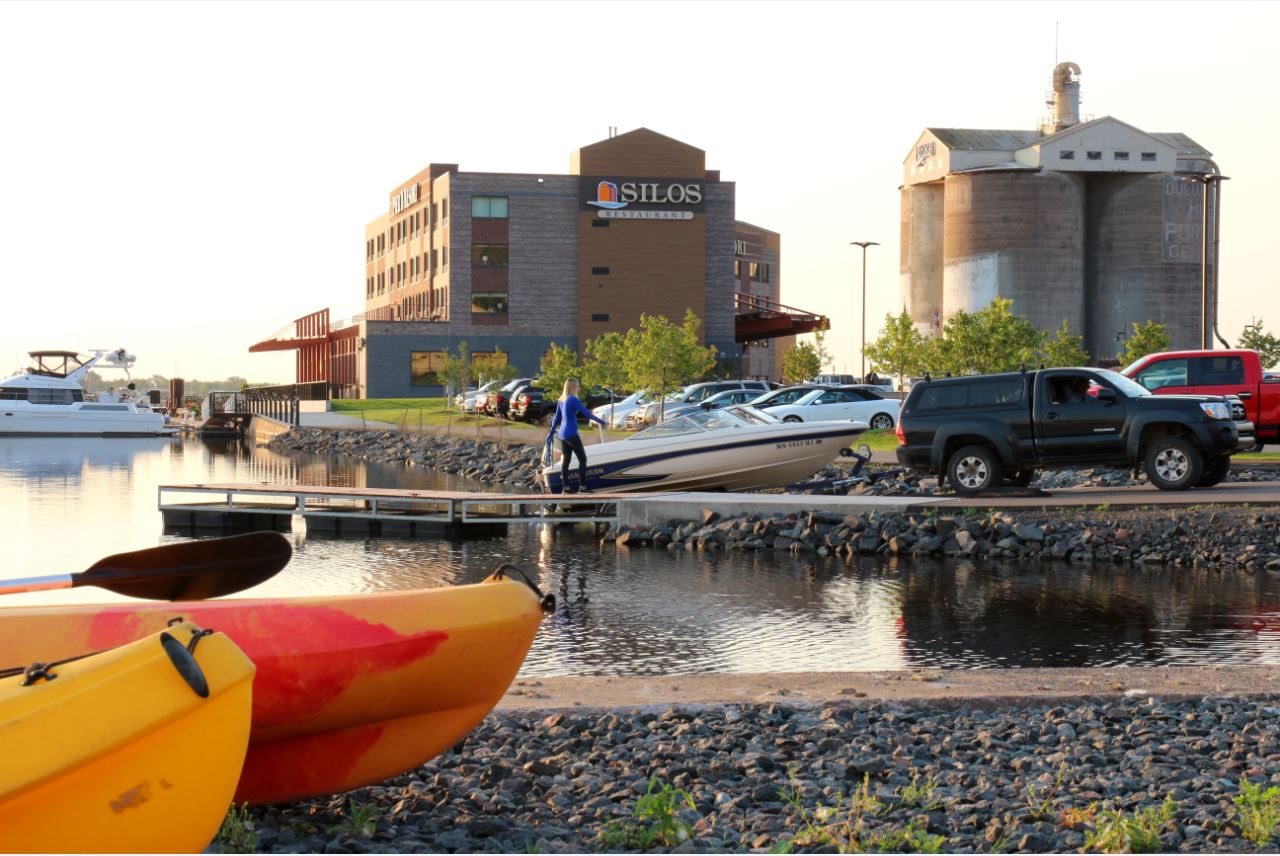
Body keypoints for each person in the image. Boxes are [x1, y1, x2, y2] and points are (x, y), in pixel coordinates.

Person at [548, 377, 607, 494]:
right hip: (571, 433)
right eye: (578, 386)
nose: (579, 388)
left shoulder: (562, 400)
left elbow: (556, 419)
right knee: (583, 459)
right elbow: (586, 413)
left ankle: (566, 488)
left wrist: (550, 433)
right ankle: (583, 488)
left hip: (563, 434)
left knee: (566, 461)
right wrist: (602, 422)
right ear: (573, 387)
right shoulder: (573, 400)